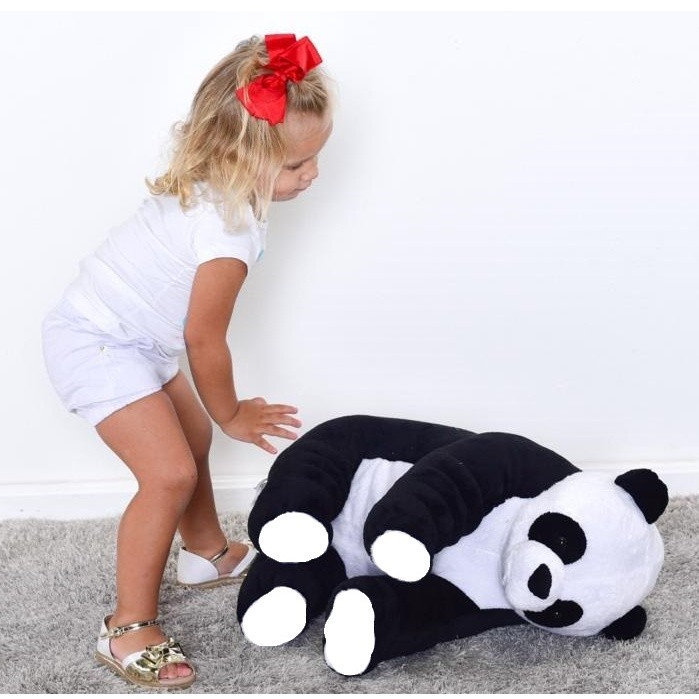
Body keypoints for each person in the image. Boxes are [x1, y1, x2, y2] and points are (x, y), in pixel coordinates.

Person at [41, 34, 333, 690]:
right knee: (169, 472)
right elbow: (205, 338)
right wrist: (232, 413)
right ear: (239, 155)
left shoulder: (227, 190)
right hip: (94, 340)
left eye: (317, 156)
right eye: (296, 164)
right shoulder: (225, 232)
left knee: (190, 436)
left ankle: (205, 553)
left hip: (134, 340)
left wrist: (212, 418)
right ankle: (127, 624)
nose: (312, 174)